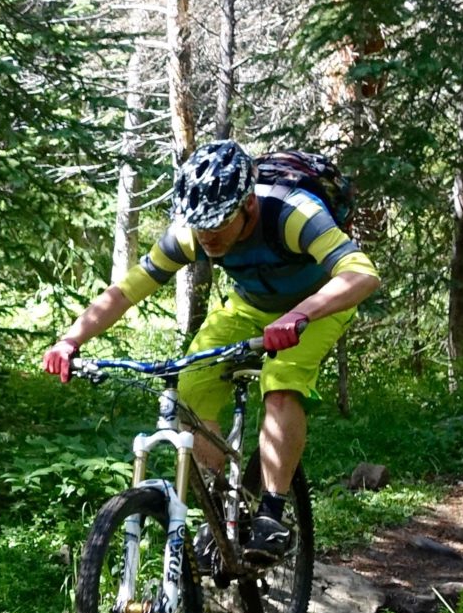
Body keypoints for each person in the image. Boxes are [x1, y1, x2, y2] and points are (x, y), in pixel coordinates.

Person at [40, 141, 381, 562]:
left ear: (248, 207)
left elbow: (361, 274)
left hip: (318, 306)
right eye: (200, 227)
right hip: (250, 305)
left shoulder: (292, 214)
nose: (208, 237)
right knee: (192, 387)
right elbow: (127, 291)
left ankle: (272, 514)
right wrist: (71, 339)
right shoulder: (195, 233)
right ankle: (222, 511)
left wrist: (300, 315)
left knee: (281, 381)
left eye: (218, 224)